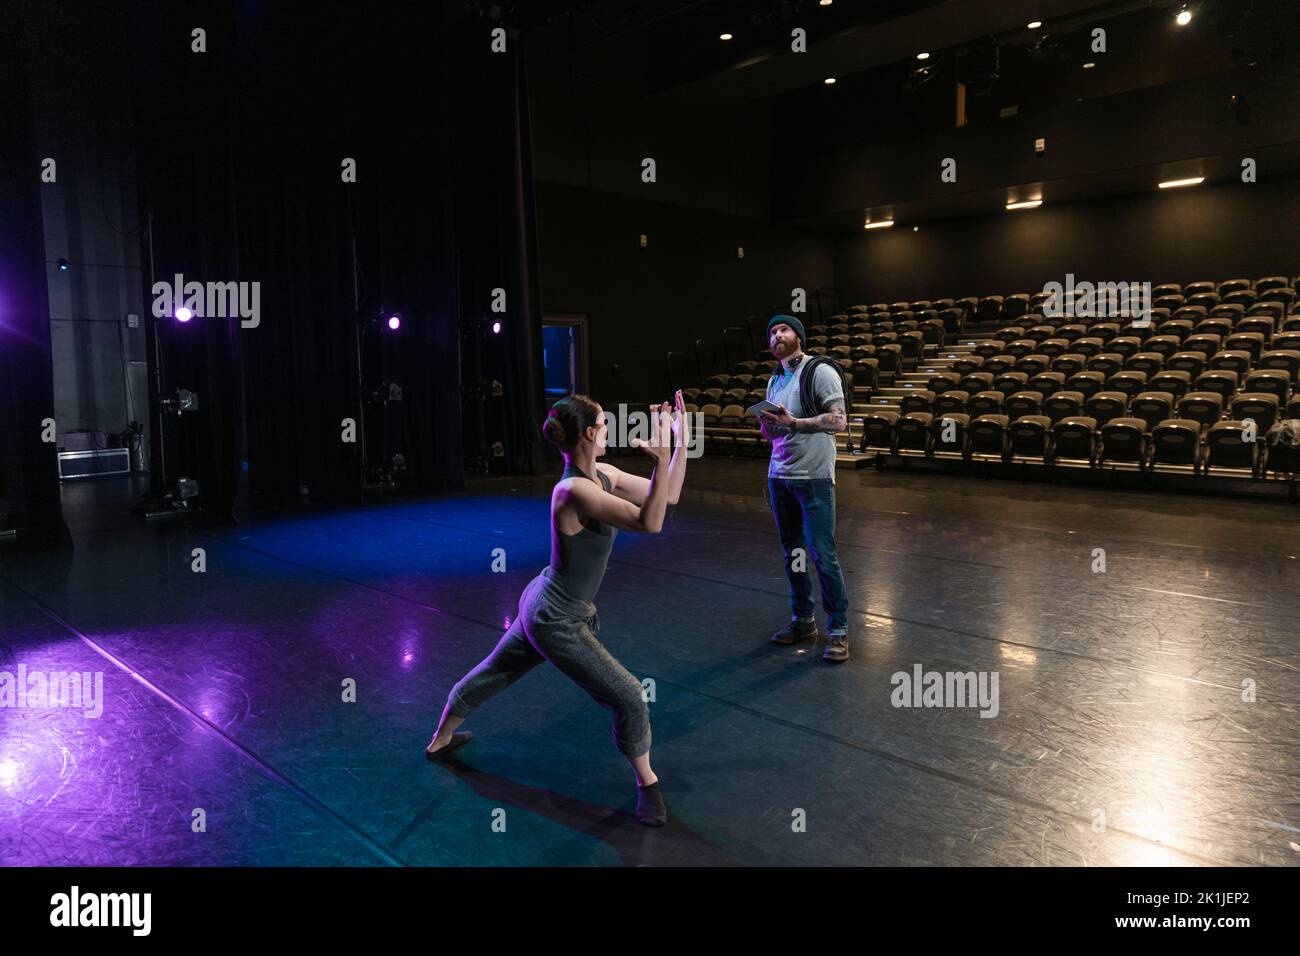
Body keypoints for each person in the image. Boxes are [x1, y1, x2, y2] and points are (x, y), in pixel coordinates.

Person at [426, 391, 688, 826]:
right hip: (557, 619)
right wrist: (660, 459)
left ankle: (439, 741)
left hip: (545, 601)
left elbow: (669, 496)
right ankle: (648, 784)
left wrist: (678, 444)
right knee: (628, 696)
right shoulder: (573, 492)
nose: (609, 430)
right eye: (604, 424)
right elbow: (651, 523)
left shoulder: (602, 473)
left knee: (497, 670)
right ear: (589, 433)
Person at [757, 315, 852, 662]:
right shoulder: (774, 380)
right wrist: (768, 427)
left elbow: (838, 421)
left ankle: (838, 630)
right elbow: (773, 435)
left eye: (783, 330)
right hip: (780, 476)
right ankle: (804, 621)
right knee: (792, 554)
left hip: (813, 479)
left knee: (822, 556)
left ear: (798, 336)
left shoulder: (818, 371)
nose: (776, 335)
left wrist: (794, 422)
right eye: (771, 333)